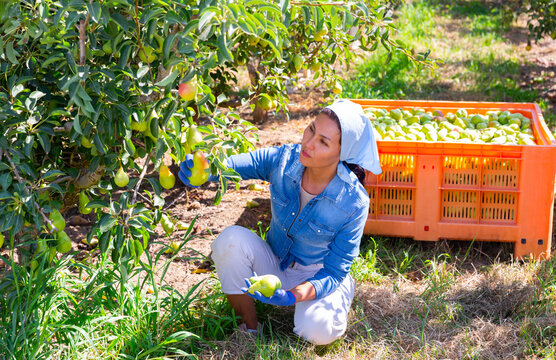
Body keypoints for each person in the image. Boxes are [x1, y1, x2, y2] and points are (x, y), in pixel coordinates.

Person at [178, 99, 381, 345]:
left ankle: (329, 303)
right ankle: (249, 327)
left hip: (316, 274)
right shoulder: (284, 160)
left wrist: (291, 297)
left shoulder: (353, 202)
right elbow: (238, 165)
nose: (308, 143)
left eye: (323, 142)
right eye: (312, 129)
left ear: (342, 154)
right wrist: (206, 169)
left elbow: (335, 271)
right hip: (275, 261)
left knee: (319, 331)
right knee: (229, 241)